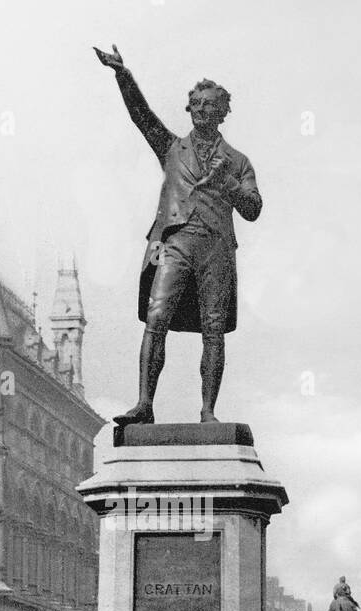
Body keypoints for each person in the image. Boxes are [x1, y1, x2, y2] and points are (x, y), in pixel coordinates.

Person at [94, 44, 262, 426]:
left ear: (223, 112)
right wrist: (123, 74)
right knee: (157, 317)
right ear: (189, 109)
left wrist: (229, 183)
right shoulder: (171, 148)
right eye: (196, 104)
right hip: (174, 242)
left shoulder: (238, 161)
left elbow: (253, 208)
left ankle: (207, 412)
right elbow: (142, 116)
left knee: (214, 329)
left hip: (215, 247)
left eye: (210, 104)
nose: (202, 110)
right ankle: (143, 405)